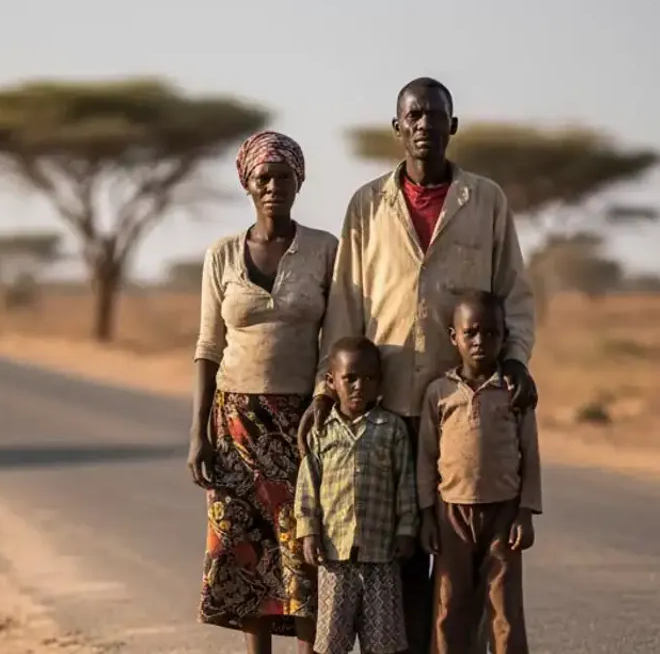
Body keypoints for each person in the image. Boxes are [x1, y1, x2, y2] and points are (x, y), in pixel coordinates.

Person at [297, 77, 539, 654]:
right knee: (399, 551)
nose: (425, 124)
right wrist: (327, 390)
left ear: (452, 127)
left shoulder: (485, 200)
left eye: (436, 115)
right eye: (414, 115)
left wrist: (516, 360)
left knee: (466, 560)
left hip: (466, 408)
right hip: (389, 406)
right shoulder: (367, 204)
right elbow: (347, 305)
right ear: (397, 126)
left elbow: (514, 293)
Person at [188, 131, 338, 654]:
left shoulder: (323, 250)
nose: (274, 186)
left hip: (302, 419)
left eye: (284, 176)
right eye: (264, 178)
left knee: (302, 547)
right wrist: (198, 435)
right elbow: (209, 345)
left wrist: (322, 401)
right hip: (234, 423)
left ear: (300, 181)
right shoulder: (223, 254)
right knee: (246, 549)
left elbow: (334, 341)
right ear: (247, 185)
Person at [418, 291, 542, 654]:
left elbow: (530, 454)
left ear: (504, 337)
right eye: (470, 332)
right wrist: (427, 515)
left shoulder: (513, 392)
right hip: (450, 514)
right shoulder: (439, 393)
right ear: (453, 336)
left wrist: (526, 511)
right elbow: (426, 458)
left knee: (503, 610)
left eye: (491, 333)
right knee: (449, 606)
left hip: (503, 514)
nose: (480, 342)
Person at [296, 336, 417, 654]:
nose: (359, 387)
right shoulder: (321, 431)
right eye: (350, 378)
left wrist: (406, 530)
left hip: (381, 555)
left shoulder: (391, 429)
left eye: (368, 378)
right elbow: (308, 485)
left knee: (381, 642)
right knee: (332, 641)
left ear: (380, 382)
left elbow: (405, 482)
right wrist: (309, 531)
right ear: (331, 381)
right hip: (335, 557)